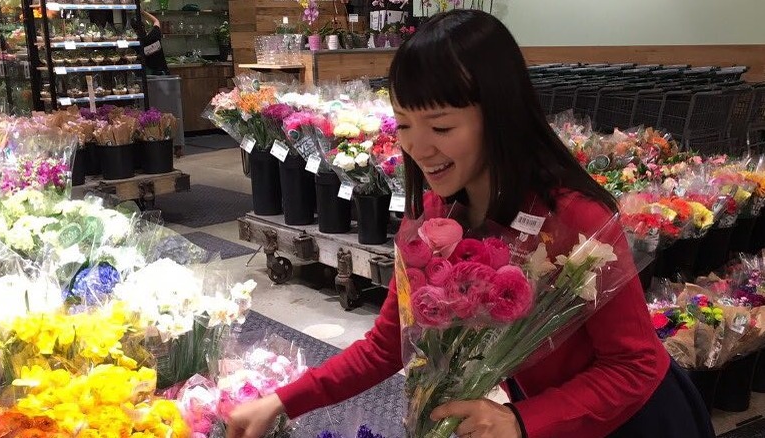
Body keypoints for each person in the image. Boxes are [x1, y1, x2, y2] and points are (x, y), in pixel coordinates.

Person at [227, 10, 716, 438]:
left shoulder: (574, 219)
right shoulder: (436, 221)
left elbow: (634, 366)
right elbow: (387, 345)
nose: (418, 147)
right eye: (403, 124)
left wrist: (522, 422)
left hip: (628, 421)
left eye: (440, 126)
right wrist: (283, 400)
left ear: (500, 116)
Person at [131, 10, 170, 76]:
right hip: (163, 72)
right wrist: (143, 11)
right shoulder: (154, 34)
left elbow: (133, 57)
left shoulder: (136, 43)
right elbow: (156, 21)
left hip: (149, 75)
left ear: (134, 31)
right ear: (144, 26)